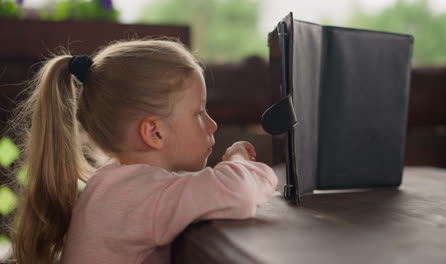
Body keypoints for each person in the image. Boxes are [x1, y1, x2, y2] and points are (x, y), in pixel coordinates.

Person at [8, 39, 278, 264]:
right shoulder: (143, 193)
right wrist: (238, 159)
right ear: (154, 132)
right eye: (198, 112)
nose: (212, 124)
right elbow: (238, 192)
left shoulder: (116, 184)